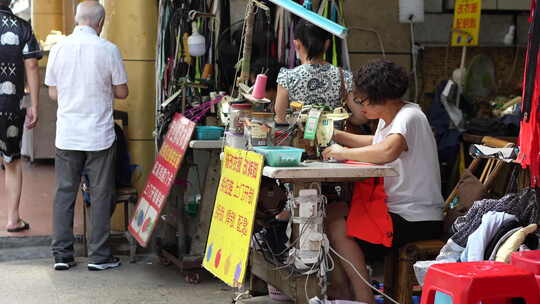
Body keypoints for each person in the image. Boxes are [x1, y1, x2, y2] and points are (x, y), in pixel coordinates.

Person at [322, 60, 443, 303]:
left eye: (363, 101)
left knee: (337, 226)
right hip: (399, 212)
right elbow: (374, 143)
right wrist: (333, 134)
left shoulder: (410, 116)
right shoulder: (392, 119)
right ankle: (341, 289)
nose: (360, 107)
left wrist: (340, 152)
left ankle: (362, 297)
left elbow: (386, 151)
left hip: (414, 218)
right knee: (330, 212)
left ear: (381, 97)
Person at [45, 1, 129, 271]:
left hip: (68, 134)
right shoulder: (109, 50)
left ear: (76, 18)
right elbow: (122, 92)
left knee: (64, 193)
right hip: (98, 135)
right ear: (100, 22)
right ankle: (99, 256)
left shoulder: (58, 49)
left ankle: (62, 255)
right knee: (102, 193)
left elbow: (53, 93)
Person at [0, 0, 41, 232]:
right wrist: (34, 104)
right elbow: (32, 66)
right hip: (9, 107)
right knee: (12, 163)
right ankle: (13, 219)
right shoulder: (22, 27)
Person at [274, 19, 354, 124]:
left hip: (299, 139)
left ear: (296, 44)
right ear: (327, 44)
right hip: (335, 138)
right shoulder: (345, 77)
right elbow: (360, 116)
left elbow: (281, 118)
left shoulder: (287, 77)